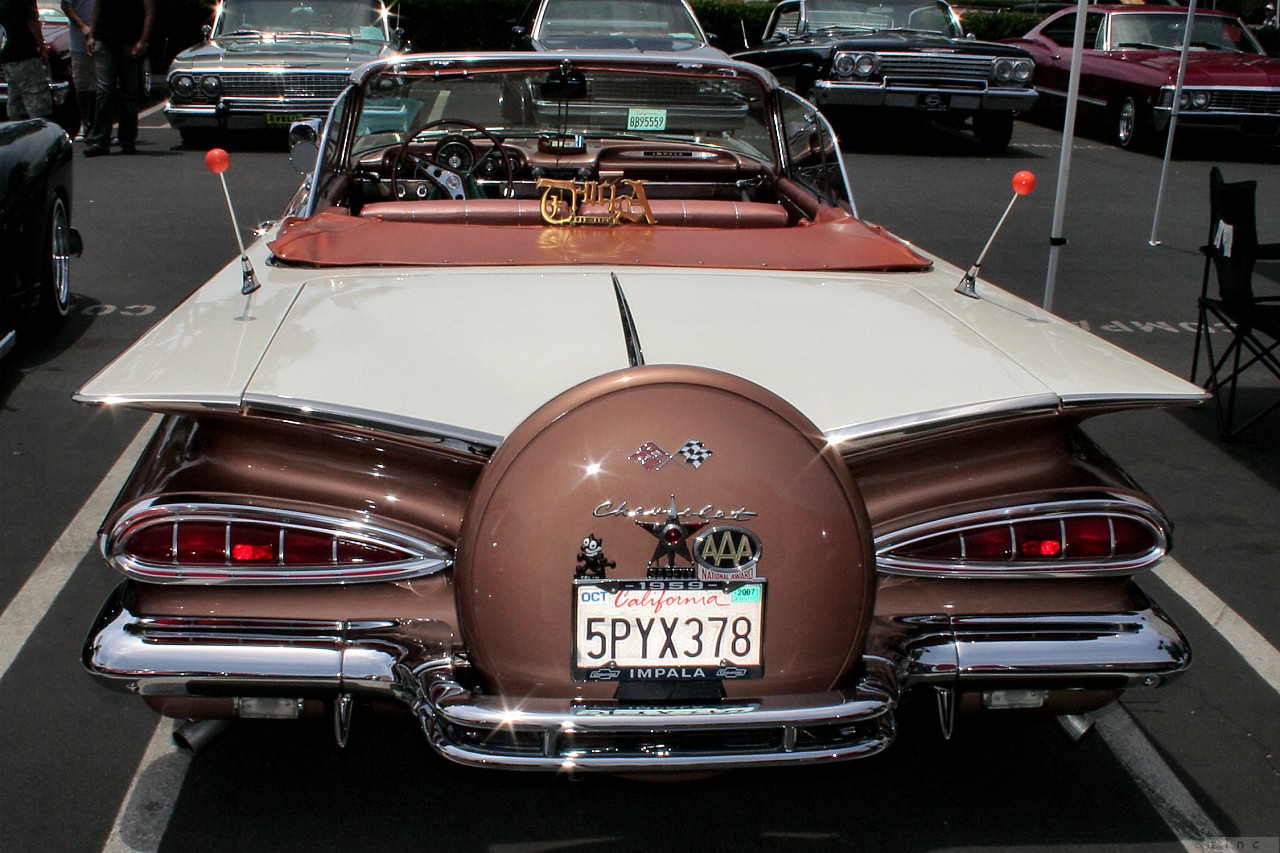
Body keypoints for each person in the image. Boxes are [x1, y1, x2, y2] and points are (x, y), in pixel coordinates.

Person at [83, 0, 152, 156]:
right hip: (105, 38)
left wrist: (143, 40)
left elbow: (149, 10)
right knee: (105, 90)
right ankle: (100, 141)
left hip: (130, 40)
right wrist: (92, 35)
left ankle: (127, 140)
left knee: (129, 92)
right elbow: (98, 6)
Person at [0, 0, 54, 120]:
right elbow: (32, 21)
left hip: (7, 52)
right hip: (25, 52)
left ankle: (14, 129)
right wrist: (42, 48)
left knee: (14, 97)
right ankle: (39, 132)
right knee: (35, 95)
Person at [61, 0, 96, 138]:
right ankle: (85, 121)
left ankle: (97, 124)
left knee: (100, 86)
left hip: (102, 40)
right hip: (79, 43)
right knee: (81, 85)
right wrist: (83, 26)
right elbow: (65, 6)